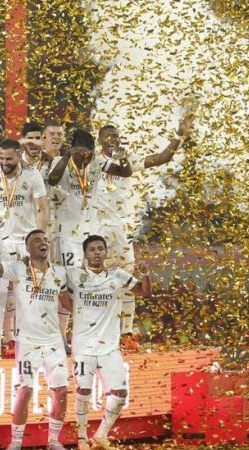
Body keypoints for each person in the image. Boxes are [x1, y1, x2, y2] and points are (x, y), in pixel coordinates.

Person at [92, 115, 193, 349]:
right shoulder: (93, 161)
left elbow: (163, 158)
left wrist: (179, 134)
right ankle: (99, 332)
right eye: (109, 136)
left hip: (121, 228)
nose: (114, 139)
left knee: (127, 278)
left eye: (116, 136)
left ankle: (127, 333)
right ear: (100, 140)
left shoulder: (127, 160)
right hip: (96, 228)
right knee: (98, 281)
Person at [0, 229, 69, 450]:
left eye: (45, 239)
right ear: (27, 248)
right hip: (28, 342)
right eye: (37, 240)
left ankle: (53, 441)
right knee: (25, 391)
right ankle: (16, 443)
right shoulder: (18, 268)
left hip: (54, 341)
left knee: (61, 390)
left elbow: (67, 304)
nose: (43, 242)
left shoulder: (60, 272)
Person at [47, 130, 131, 350]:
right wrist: (67, 156)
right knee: (67, 285)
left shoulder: (96, 164)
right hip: (66, 235)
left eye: (88, 153)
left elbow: (125, 172)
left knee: (87, 285)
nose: (84, 158)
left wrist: (122, 158)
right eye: (79, 153)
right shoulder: (60, 162)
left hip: (89, 236)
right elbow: (52, 179)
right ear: (72, 149)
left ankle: (84, 333)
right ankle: (60, 336)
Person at [65, 235, 150, 450]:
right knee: (83, 392)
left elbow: (143, 291)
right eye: (92, 249)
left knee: (120, 394)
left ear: (106, 252)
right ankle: (82, 438)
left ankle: (100, 435)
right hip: (83, 346)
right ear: (85, 254)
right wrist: (73, 309)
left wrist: (145, 275)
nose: (96, 252)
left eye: (100, 249)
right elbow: (59, 293)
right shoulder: (74, 275)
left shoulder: (118, 276)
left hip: (110, 348)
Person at [0, 138, 49, 357]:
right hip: (1, 242)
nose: (4, 163)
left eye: (9, 159)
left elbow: (42, 209)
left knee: (31, 293)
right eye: (1, 158)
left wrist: (40, 240)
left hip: (26, 243)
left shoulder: (32, 175)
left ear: (19, 155)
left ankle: (30, 342)